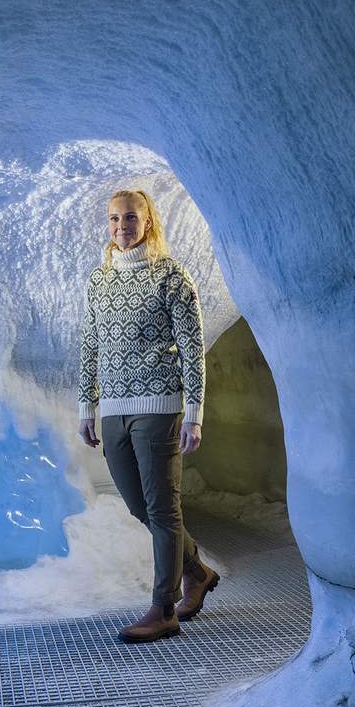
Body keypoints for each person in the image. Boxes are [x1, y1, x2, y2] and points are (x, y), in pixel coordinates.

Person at [77, 188, 221, 643]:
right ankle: (195, 569)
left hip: (159, 406)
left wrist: (194, 415)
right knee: (140, 506)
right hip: (114, 411)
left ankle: (163, 608)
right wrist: (87, 406)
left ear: (149, 222)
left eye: (131, 218)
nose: (122, 227)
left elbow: (192, 349)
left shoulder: (171, 276)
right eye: (115, 219)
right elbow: (90, 345)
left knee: (163, 507)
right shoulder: (100, 281)